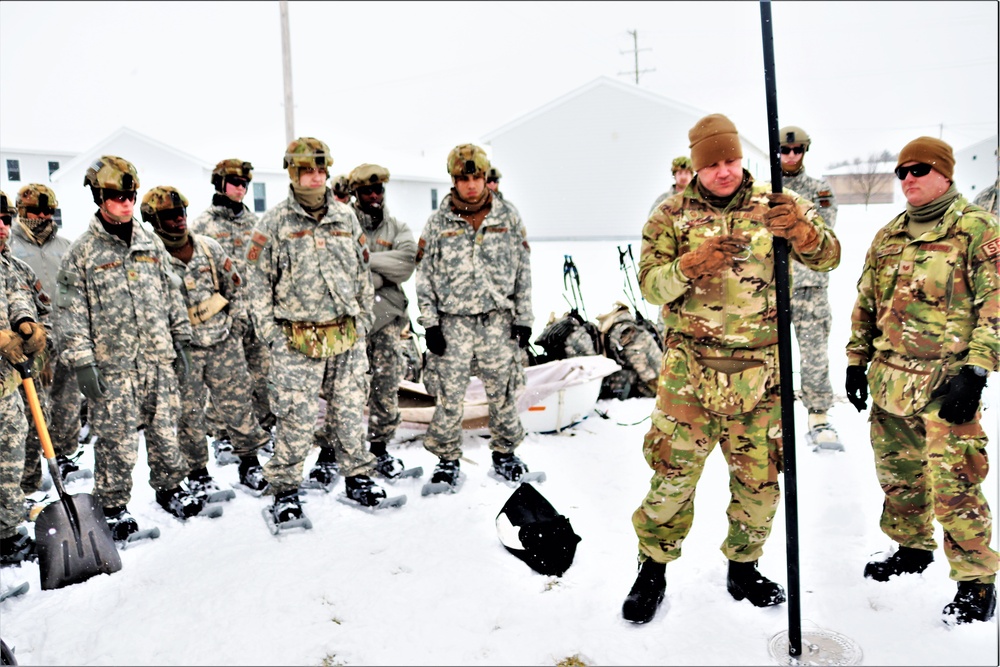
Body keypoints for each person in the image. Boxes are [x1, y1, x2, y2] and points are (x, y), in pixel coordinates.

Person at [621, 114, 841, 624]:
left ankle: (745, 566)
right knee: (672, 477)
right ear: (696, 166)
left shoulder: (778, 205)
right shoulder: (669, 216)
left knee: (760, 480)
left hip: (761, 371)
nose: (724, 171)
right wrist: (690, 265)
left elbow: (829, 257)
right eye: (713, 164)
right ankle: (651, 569)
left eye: (732, 160)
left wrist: (803, 232)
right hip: (688, 371)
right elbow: (651, 286)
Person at [845, 136, 998, 625]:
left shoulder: (977, 229)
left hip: (945, 384)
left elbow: (995, 306)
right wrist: (855, 360)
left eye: (919, 169)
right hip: (890, 381)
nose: (908, 178)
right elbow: (867, 303)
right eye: (902, 172)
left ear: (945, 174)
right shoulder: (888, 236)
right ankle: (912, 550)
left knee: (955, 485)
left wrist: (976, 371)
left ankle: (976, 581)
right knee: (900, 479)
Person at [58, 156, 204, 540]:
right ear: (99, 198)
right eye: (117, 196)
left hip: (157, 359)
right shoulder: (82, 253)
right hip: (114, 367)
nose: (126, 203)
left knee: (165, 431)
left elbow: (172, 293)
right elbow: (71, 314)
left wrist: (182, 341)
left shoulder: (149, 241)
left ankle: (170, 487)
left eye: (131, 195)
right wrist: (83, 364)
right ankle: (114, 505)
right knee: (116, 440)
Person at [248, 137, 385, 524]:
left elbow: (362, 273)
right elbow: (256, 284)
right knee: (297, 418)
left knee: (347, 411)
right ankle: (285, 490)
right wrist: (273, 336)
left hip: (344, 334)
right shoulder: (275, 223)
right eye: (306, 170)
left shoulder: (345, 218)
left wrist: (362, 323)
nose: (315, 177)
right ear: (293, 173)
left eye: (321, 170)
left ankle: (358, 478)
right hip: (296, 338)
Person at [415, 143, 534, 488]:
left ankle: (505, 454)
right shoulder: (438, 223)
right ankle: (447, 459)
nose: (470, 184)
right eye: (463, 178)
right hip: (453, 324)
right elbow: (424, 277)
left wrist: (524, 318)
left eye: (476, 177)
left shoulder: (507, 217)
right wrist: (430, 324)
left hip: (497, 320)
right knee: (449, 395)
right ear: (453, 180)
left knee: (503, 390)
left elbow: (523, 271)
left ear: (485, 178)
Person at [141, 186, 271, 499]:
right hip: (183, 349)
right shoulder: (149, 259)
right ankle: (197, 471)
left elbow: (234, 288)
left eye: (181, 213)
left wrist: (236, 325)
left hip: (222, 341)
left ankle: (249, 461)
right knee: (189, 413)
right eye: (169, 216)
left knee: (238, 403)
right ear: (154, 221)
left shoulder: (209, 248)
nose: (178, 220)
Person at [313, 163, 415, 482]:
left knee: (385, 387)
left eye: (378, 190)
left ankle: (380, 449)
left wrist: (365, 263)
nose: (374, 196)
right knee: (341, 388)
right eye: (366, 191)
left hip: (385, 320)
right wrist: (377, 272)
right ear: (355, 194)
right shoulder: (340, 224)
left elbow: (407, 263)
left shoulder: (397, 228)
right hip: (349, 323)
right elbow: (334, 268)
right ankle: (329, 452)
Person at [189, 159, 275, 467]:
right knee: (227, 381)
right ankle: (223, 434)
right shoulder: (201, 226)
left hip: (256, 313)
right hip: (221, 318)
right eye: (235, 182)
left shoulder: (257, 226)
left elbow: (268, 267)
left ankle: (262, 429)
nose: (240, 189)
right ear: (220, 183)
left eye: (245, 184)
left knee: (262, 374)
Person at [8, 184, 88, 489]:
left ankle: (65, 454)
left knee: (67, 399)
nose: (41, 216)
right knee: (32, 408)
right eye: (33, 211)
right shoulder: (11, 248)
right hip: (28, 342)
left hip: (64, 333)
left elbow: (73, 289)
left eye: (47, 211)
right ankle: (27, 472)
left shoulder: (65, 247)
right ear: (21, 212)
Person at [778, 125, 842, 450]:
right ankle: (771, 410)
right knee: (768, 355)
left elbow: (824, 232)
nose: (791, 156)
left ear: (805, 151)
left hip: (809, 289)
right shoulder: (763, 193)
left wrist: (792, 223)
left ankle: (818, 413)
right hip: (772, 289)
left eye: (797, 150)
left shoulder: (819, 190)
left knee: (814, 354)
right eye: (785, 150)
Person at [0, 191, 46, 565]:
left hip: (6, 386)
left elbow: (24, 298)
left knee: (8, 462)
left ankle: (4, 535)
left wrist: (27, 324)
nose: (2, 226)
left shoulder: (10, 266)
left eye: (5, 219)